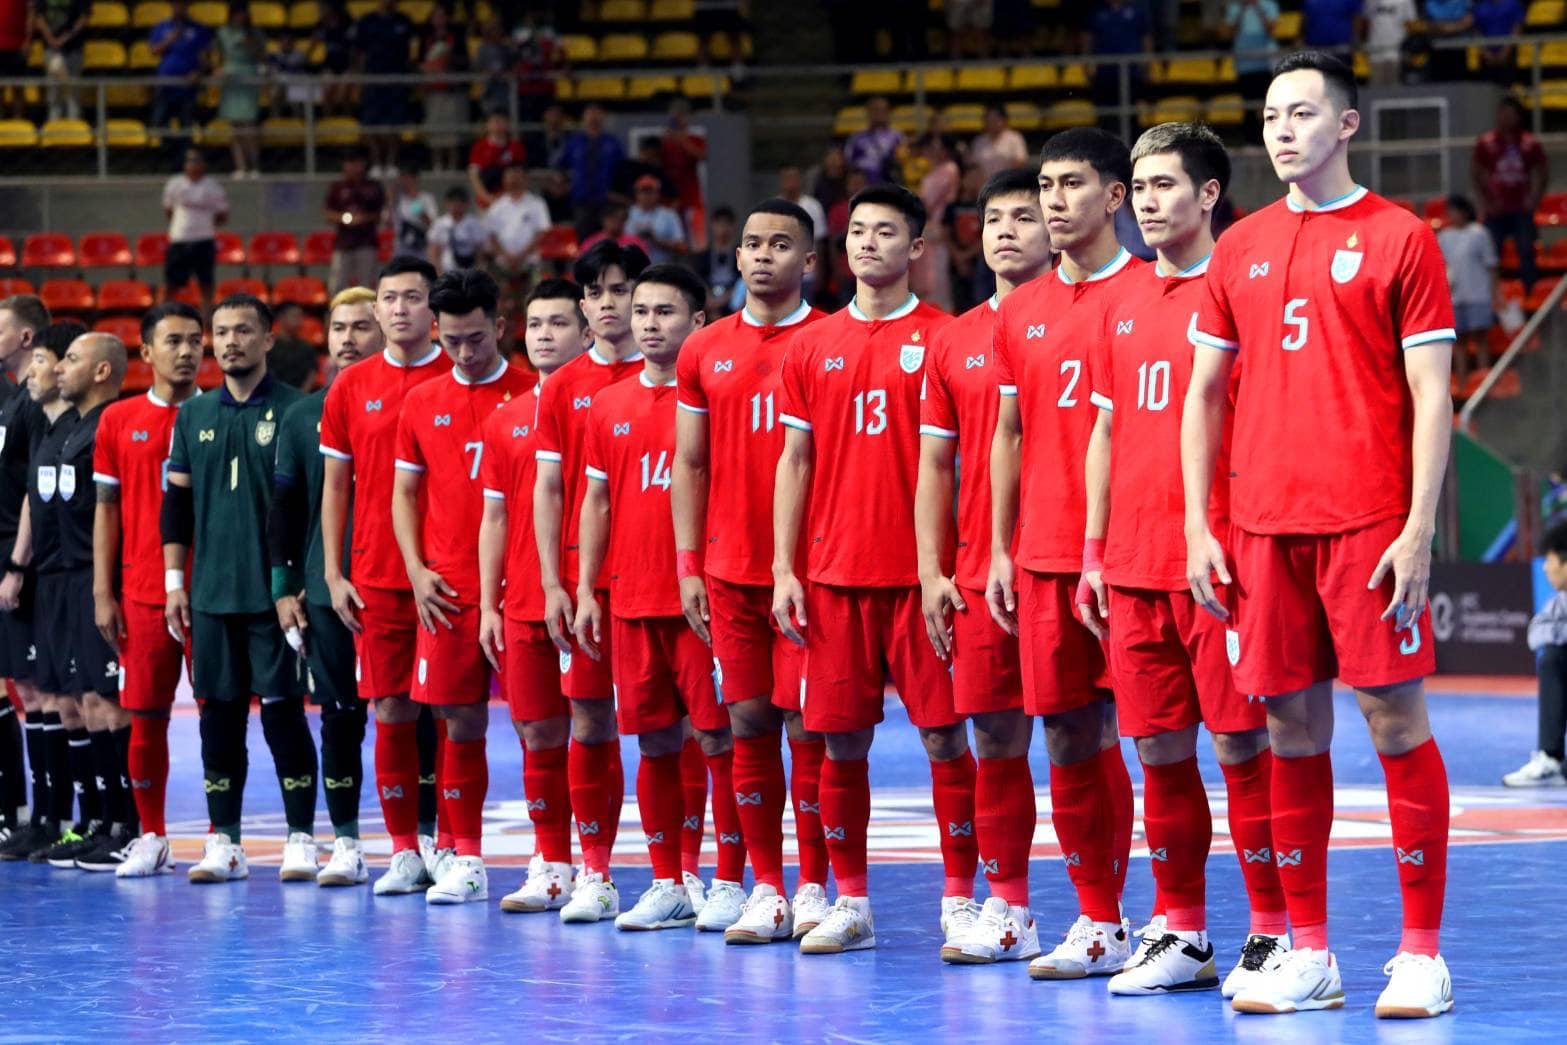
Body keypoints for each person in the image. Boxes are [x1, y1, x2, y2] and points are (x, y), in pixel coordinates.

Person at [1185, 50, 1456, 1018]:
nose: (1282, 129)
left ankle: (1420, 953)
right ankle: (1309, 950)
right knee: (1287, 728)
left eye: (1302, 113)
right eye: (1269, 116)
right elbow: (1204, 397)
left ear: (1346, 124)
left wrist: (1419, 525)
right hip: (1261, 529)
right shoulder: (1240, 245)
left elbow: (1432, 393)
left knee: (1393, 720)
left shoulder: (1399, 237)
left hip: (1368, 523)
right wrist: (1199, 525)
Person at [1077, 123, 1290, 998]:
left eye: (1167, 184)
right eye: (1140, 183)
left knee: (1245, 751)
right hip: (1130, 566)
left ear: (1208, 195)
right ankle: (1183, 930)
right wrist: (1093, 553)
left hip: (1221, 567)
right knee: (1158, 754)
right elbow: (1103, 431)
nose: (1149, 199)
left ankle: (1275, 931)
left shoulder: (1243, 288)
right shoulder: (1119, 301)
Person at [772, 185, 976, 955]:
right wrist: (783, 567)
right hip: (831, 575)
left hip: (923, 580)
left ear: (915, 249)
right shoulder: (810, 344)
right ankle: (849, 898)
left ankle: (960, 896)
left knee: (946, 739)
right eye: (856, 230)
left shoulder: (947, 337)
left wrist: (943, 567)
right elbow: (793, 462)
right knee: (836, 742)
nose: (866, 243)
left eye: (884, 232)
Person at [988, 128, 1143, 980]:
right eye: (1044, 184)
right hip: (1045, 552)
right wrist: (1005, 546)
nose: (1051, 200)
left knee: (1161, 735)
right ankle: (1099, 919)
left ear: (1113, 197)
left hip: (1138, 550)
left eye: (1071, 183)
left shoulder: (1159, 289)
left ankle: (1178, 918)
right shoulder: (1018, 309)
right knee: (1068, 734)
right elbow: (1008, 435)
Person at [672, 199, 830, 943]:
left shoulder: (831, 338)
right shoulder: (703, 348)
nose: (762, 255)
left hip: (810, 569)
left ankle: (816, 885)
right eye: (750, 244)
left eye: (780, 244)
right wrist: (688, 563)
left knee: (810, 724)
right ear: (734, 259)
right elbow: (689, 461)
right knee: (746, 720)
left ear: (808, 260)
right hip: (729, 567)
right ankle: (766, 883)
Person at [914, 168, 1053, 966]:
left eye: (1024, 217)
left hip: (1064, 557)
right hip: (977, 568)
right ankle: (1007, 905)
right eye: (993, 218)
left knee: (1087, 733)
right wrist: (936, 568)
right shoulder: (953, 337)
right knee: (995, 735)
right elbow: (935, 466)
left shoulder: (1084, 315)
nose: (1005, 230)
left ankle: (1101, 913)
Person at [573, 264, 730, 931]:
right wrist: (586, 586)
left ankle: (726, 879)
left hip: (701, 599)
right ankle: (668, 879)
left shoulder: (715, 397)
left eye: (665, 312)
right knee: (655, 743)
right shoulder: (606, 405)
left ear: (697, 322)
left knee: (722, 739)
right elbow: (597, 500)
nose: (648, 323)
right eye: (641, 311)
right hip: (630, 597)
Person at [162, 294, 320, 883]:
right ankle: (224, 840)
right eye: (221, 332)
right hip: (208, 597)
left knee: (283, 716)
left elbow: (305, 511)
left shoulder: (298, 412)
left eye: (243, 331)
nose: (230, 342)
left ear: (268, 339)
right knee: (218, 719)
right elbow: (174, 507)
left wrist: (297, 582)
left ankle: (301, 837)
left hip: (274, 597)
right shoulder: (193, 416)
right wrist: (176, 582)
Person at [392, 269, 536, 904]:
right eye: (452, 341)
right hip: (449, 588)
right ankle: (466, 856)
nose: (465, 353)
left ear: (501, 328)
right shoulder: (420, 401)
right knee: (459, 720)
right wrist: (417, 570)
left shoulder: (535, 393)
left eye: (476, 339)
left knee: (544, 724)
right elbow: (401, 494)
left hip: (524, 584)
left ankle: (554, 858)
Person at [319, 257, 448, 895]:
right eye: (389, 299)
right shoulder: (350, 386)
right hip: (375, 574)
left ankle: (450, 842)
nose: (399, 309)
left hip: (451, 576)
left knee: (457, 712)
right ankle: (403, 847)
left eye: (413, 298)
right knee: (391, 707)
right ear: (376, 311)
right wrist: (332, 572)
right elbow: (335, 484)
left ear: (434, 309)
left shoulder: (461, 373)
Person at [533, 241, 650, 924]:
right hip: (585, 579)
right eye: (595, 291)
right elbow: (549, 492)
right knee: (587, 716)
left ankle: (685, 874)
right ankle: (595, 870)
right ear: (581, 304)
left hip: (659, 570)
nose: (607, 302)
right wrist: (555, 582)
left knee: (680, 725)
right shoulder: (563, 385)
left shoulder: (676, 368)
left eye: (619, 288)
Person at [477, 279, 588, 913]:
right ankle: (553, 864)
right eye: (535, 325)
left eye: (558, 324)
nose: (544, 335)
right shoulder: (505, 419)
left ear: (587, 332)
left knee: (649, 730)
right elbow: (493, 519)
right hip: (523, 600)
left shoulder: (606, 405)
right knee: (537, 731)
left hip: (600, 595)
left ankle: (673, 872)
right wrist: (491, 603)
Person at [270, 288, 378, 885]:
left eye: (362, 327)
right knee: (338, 716)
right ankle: (346, 843)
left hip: (397, 587)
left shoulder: (410, 402)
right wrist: (286, 585)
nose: (347, 339)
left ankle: (430, 842)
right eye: (339, 327)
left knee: (411, 717)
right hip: (324, 586)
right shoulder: (299, 416)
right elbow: (283, 511)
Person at [93, 303, 202, 878]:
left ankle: (220, 836)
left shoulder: (217, 414)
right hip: (140, 592)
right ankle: (152, 834)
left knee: (221, 715)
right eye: (173, 341)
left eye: (194, 341)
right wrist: (101, 592)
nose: (186, 352)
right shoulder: (118, 420)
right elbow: (105, 511)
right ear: (146, 353)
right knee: (145, 717)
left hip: (211, 594)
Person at [27, 331, 135, 871]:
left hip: (96, 578)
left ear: (100, 372)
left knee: (106, 701)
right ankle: (95, 820)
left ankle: (126, 824)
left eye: (70, 359)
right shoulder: (66, 429)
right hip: (56, 580)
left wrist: (107, 587)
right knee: (78, 702)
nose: (59, 369)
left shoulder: (112, 425)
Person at [16, 321, 95, 865]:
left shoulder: (85, 428)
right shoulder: (46, 433)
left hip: (80, 578)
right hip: (46, 577)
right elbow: (30, 501)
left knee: (88, 701)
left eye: (53, 359)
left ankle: (98, 819)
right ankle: (53, 819)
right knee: (50, 698)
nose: (45, 371)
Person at [0, 297, 49, 854]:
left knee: (41, 693)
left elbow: (34, 493)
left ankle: (42, 812)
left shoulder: (33, 406)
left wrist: (17, 563)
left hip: (26, 567)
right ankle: (18, 809)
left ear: (27, 336)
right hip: (7, 563)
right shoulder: (8, 401)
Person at [1503, 523, 1567, 786]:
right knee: (1553, 656)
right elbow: (1537, 632)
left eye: (1550, 560)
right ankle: (1551, 758)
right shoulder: (1560, 601)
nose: (1544, 568)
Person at [1473, 97, 1549, 294]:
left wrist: (1535, 199)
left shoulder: (1529, 143)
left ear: (1518, 116)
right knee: (1491, 255)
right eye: (1503, 113)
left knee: (1526, 252)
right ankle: (1492, 298)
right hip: (1495, 209)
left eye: (1511, 113)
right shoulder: (1486, 142)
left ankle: (1531, 296)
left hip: (1521, 209)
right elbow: (1477, 173)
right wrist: (1486, 203)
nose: (1506, 117)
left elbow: (1542, 171)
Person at [1437, 194, 1499, 388]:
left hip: (1478, 295)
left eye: (1454, 211)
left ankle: (1483, 384)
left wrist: (1495, 294)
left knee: (1481, 340)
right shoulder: (1443, 237)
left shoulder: (1479, 233)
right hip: (1454, 298)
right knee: (1459, 343)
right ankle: (1463, 385)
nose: (1451, 215)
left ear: (1464, 212)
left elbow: (1491, 265)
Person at [351, 0, 414, 177]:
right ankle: (377, 163)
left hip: (397, 80)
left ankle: (392, 163)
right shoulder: (367, 21)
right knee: (372, 123)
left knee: (395, 123)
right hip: (373, 79)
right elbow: (358, 51)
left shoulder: (404, 21)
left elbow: (410, 52)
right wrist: (358, 75)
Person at [162, 148, 229, 315]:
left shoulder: (213, 187)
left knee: (206, 283)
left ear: (204, 164)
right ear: (184, 165)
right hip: (179, 240)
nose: (194, 164)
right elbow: (169, 211)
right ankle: (164, 315)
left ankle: (206, 318)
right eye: (190, 161)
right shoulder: (174, 184)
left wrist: (203, 225)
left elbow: (222, 215)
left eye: (197, 160)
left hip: (204, 240)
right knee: (172, 283)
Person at [148, 0, 211, 158]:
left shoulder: (198, 29)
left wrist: (198, 72)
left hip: (187, 86)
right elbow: (154, 51)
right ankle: (168, 154)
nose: (179, 8)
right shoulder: (162, 27)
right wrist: (169, 40)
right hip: (165, 84)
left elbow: (205, 58)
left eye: (182, 5)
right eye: (176, 4)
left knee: (186, 124)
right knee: (160, 122)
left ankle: (182, 160)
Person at [484, 163, 552, 308]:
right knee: (492, 298)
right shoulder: (496, 206)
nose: (514, 179)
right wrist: (507, 256)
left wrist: (521, 256)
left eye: (517, 176)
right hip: (503, 263)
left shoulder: (537, 204)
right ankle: (501, 327)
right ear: (504, 180)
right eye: (510, 176)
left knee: (537, 298)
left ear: (525, 179)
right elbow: (492, 236)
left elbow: (541, 234)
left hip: (530, 262)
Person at [324, 150, 388, 295]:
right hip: (343, 243)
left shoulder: (373, 186)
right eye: (349, 163)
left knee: (365, 287)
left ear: (363, 164)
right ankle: (336, 315)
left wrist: (362, 218)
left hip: (366, 242)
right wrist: (343, 218)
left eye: (356, 163)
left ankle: (365, 316)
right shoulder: (338, 187)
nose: (353, 167)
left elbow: (380, 213)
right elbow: (328, 213)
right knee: (337, 286)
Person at [558, 105, 628, 235]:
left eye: (597, 113)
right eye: (590, 113)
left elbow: (623, 169)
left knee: (609, 238)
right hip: (582, 199)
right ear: (584, 118)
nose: (593, 117)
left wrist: (619, 193)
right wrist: (566, 185)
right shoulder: (574, 141)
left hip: (607, 199)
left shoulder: (612, 142)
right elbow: (562, 167)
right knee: (584, 239)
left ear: (603, 117)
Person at [215, 4, 266, 178]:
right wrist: (219, 69)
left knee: (250, 125)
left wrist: (250, 45)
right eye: (237, 14)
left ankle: (255, 166)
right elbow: (217, 57)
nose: (240, 17)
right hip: (230, 79)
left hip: (248, 77)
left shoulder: (255, 33)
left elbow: (262, 57)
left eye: (242, 14)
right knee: (235, 127)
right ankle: (240, 167)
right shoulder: (222, 33)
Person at [912, 137, 961, 313]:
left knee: (939, 277)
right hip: (926, 227)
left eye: (937, 148)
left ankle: (942, 314)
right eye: (930, 148)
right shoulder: (928, 171)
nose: (932, 152)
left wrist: (920, 205)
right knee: (923, 277)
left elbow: (929, 202)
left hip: (939, 226)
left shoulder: (949, 168)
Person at [416, 4, 467, 174]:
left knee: (453, 131)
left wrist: (449, 58)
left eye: (442, 15)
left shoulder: (457, 37)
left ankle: (452, 165)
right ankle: (437, 165)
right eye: (435, 16)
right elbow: (419, 62)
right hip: (433, 90)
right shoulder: (426, 38)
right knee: (435, 130)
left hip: (452, 90)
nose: (439, 19)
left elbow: (465, 62)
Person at [1085, 0, 1155, 109]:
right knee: (1106, 113)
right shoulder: (1096, 11)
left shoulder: (1137, 10)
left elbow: (1146, 38)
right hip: (1105, 73)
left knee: (1131, 112)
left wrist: (1147, 64)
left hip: (1132, 72)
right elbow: (1088, 39)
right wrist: (1088, 64)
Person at [661, 101, 708, 250]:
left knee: (696, 242)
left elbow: (702, 155)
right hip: (669, 200)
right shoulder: (665, 141)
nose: (678, 119)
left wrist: (682, 141)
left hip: (691, 199)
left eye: (681, 116)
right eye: (675, 116)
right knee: (672, 240)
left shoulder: (694, 139)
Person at [35, 0, 88, 122]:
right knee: (54, 93)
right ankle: (53, 130)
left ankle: (75, 131)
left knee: (73, 94)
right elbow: (38, 16)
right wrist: (50, 39)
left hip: (74, 50)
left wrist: (65, 38)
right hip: (52, 50)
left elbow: (84, 17)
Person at [468, 112, 527, 209]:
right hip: (486, 202)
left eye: (501, 121)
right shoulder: (479, 147)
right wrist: (488, 198)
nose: (498, 124)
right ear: (487, 125)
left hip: (512, 202)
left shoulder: (516, 147)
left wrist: (511, 199)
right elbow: (474, 177)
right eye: (495, 121)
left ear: (508, 124)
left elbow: (522, 176)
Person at [625, 176, 686, 266]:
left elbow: (682, 248)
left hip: (661, 267)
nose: (647, 196)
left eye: (650, 192)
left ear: (658, 193)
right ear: (636, 194)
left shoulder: (669, 215)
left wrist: (656, 240)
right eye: (644, 191)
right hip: (633, 269)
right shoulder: (627, 213)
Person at [844, 97, 903, 184]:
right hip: (862, 187)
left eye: (883, 110)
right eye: (875, 110)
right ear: (868, 112)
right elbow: (848, 163)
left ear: (888, 113)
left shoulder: (897, 136)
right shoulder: (856, 137)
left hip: (889, 185)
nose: (879, 113)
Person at [429, 186, 486, 274]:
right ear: (447, 203)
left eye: (460, 202)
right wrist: (438, 273)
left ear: (466, 204)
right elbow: (434, 252)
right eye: (453, 202)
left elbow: (479, 251)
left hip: (468, 271)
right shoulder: (440, 224)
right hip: (446, 271)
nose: (457, 206)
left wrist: (478, 271)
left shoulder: (474, 223)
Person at [388, 166, 438, 263]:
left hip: (421, 247)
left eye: (409, 177)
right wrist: (391, 198)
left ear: (416, 179)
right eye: (403, 177)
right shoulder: (397, 199)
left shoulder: (426, 198)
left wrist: (414, 201)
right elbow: (388, 222)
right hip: (401, 248)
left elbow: (431, 223)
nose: (405, 181)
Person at [268, 303, 318, 390]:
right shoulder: (269, 346)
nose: (299, 320)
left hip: (299, 396)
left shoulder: (306, 347)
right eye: (294, 316)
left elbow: (311, 373)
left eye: (300, 316)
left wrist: (302, 395)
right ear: (281, 317)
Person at [970, 107, 1028, 182]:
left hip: (1009, 182)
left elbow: (1020, 163)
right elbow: (974, 167)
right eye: (989, 120)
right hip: (984, 184)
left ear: (1004, 120)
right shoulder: (978, 141)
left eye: (995, 119)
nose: (992, 123)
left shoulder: (1015, 138)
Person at [1365, 0, 1416, 85]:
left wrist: (1407, 48)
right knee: (1376, 87)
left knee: (1395, 88)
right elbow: (1365, 20)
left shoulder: (1406, 1)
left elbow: (1410, 23)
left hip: (1396, 50)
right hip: (1375, 51)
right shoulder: (1369, 1)